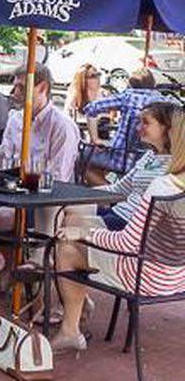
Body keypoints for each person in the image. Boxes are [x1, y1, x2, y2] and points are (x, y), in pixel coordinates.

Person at [47, 108, 185, 353]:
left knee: (66, 247)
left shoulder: (163, 185)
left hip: (144, 276)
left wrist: (83, 235)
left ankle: (70, 330)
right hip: (177, 277)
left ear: (174, 136)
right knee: (74, 226)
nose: (138, 127)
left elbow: (129, 243)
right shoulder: (171, 181)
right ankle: (75, 307)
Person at [0, 63, 79, 291]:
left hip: (50, 202)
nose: (14, 92)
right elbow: (5, 158)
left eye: (21, 87)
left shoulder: (62, 126)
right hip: (13, 194)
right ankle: (12, 268)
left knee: (1, 219)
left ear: (42, 87)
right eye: (14, 86)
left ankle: (28, 271)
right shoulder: (16, 119)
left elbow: (59, 179)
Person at [64, 100, 179, 232]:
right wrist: (80, 194)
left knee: (71, 221)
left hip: (131, 224)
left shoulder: (176, 163)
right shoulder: (150, 155)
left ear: (166, 127)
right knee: (64, 207)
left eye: (145, 123)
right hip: (119, 212)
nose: (138, 127)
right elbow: (120, 188)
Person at [82, 67, 164, 183]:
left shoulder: (127, 97)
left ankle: (110, 195)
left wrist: (95, 139)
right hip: (150, 163)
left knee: (82, 160)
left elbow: (91, 109)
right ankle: (117, 191)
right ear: (153, 83)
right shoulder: (164, 102)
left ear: (130, 84)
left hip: (120, 158)